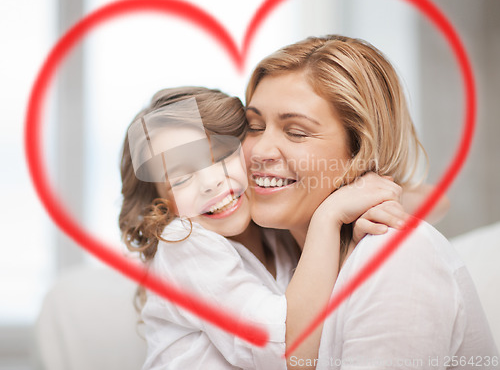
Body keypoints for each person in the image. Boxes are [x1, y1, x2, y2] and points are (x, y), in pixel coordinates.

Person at [243, 35, 499, 369]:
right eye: (253, 126)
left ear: (360, 148)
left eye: (297, 132)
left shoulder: (397, 257)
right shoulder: (272, 256)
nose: (259, 152)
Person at [119, 86, 410, 370]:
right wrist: (329, 216)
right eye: (180, 180)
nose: (210, 183)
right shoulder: (183, 241)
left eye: (220, 156)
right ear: (161, 206)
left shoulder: (274, 231)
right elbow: (287, 355)